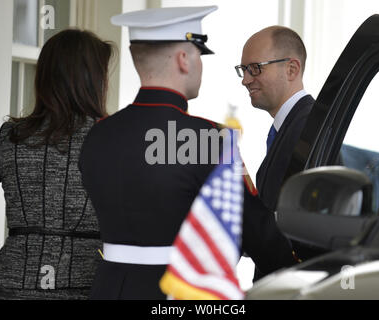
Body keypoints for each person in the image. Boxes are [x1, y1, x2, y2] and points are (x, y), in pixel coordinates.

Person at [79, 6, 296, 300]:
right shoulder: (206, 138)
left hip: (108, 289)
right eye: (199, 54)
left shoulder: (99, 135)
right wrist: (299, 265)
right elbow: (257, 233)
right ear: (184, 59)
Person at [0, 29, 115, 300]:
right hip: (89, 283)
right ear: (92, 80)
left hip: (15, 284)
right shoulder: (113, 137)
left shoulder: (10, 137)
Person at [236, 26, 316, 279]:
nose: (246, 79)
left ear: (291, 69)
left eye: (255, 68)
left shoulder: (308, 129)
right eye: (244, 70)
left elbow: (300, 228)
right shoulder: (291, 126)